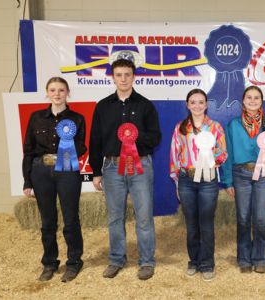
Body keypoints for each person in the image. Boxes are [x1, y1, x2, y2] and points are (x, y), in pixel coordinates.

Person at [89, 58, 161, 280]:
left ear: (133, 77)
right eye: (119, 75)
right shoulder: (102, 106)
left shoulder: (145, 105)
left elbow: (155, 137)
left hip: (140, 165)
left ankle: (147, 262)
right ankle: (116, 259)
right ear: (113, 77)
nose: (123, 79)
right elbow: (95, 139)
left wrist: (135, 140)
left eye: (127, 75)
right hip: (111, 167)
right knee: (114, 217)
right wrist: (96, 171)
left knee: (144, 217)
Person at [22, 77, 86, 282]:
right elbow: (29, 150)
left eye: (61, 90)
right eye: (52, 90)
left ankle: (74, 262)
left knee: (71, 219)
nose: (57, 94)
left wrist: (65, 155)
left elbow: (82, 147)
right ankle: (49, 262)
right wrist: (27, 180)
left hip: (67, 170)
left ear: (68, 92)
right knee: (47, 221)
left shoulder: (77, 118)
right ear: (47, 93)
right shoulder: (36, 117)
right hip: (41, 172)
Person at [221, 86, 265, 274]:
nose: (253, 100)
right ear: (243, 101)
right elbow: (227, 153)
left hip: (263, 172)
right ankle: (244, 258)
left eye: (256, 98)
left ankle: (260, 257)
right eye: (249, 97)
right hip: (240, 174)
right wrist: (228, 181)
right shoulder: (233, 124)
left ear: (261, 101)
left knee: (261, 219)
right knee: (243, 218)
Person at [169, 89, 227, 282]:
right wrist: (177, 180)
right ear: (187, 105)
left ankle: (207, 263)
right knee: (191, 223)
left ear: (206, 104)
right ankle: (193, 260)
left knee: (206, 222)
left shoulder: (215, 127)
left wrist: (212, 158)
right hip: (186, 179)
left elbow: (223, 153)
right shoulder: (180, 127)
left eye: (201, 102)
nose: (197, 106)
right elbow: (175, 154)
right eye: (193, 102)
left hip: (208, 180)